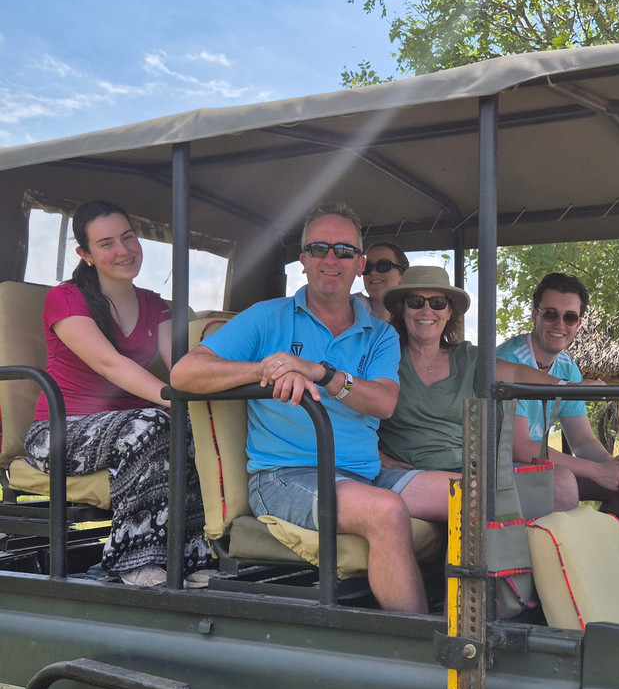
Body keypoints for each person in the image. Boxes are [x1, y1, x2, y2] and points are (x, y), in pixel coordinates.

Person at [170, 204, 436, 614]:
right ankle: (421, 655)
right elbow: (185, 374)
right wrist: (264, 368)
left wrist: (321, 373)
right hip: (283, 476)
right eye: (319, 248)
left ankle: (490, 622)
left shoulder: (379, 333)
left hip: (364, 473)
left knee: (474, 493)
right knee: (386, 511)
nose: (332, 260)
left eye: (345, 251)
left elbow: (383, 402)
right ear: (303, 259)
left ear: (360, 264)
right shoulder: (266, 318)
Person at [23, 200, 217, 588]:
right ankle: (133, 560)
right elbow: (109, 364)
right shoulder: (65, 298)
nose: (124, 251)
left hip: (138, 425)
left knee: (188, 426)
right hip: (59, 430)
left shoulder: (154, 305)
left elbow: (180, 366)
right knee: (155, 422)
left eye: (128, 238)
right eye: (107, 243)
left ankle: (191, 556)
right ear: (86, 254)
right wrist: (174, 399)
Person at [378, 266, 582, 510]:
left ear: (449, 310)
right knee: (473, 493)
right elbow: (352, 412)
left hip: (468, 471)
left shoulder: (467, 357)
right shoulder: (383, 358)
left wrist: (568, 386)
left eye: (438, 303)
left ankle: (547, 548)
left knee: (562, 483)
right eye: (415, 302)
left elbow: (516, 372)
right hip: (414, 474)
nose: (427, 310)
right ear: (402, 309)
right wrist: (377, 457)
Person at [497, 273, 619, 524]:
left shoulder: (566, 366)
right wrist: (596, 471)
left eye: (569, 317)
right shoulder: (510, 359)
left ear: (578, 323)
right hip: (498, 471)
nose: (560, 324)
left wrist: (610, 465)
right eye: (550, 314)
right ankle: (560, 561)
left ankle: (615, 555)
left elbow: (582, 440)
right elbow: (520, 447)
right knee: (562, 482)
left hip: (533, 469)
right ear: (534, 315)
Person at [357, 242, 409, 322]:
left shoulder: (415, 315)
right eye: (367, 267)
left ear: (404, 275)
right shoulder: (353, 307)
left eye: (383, 266)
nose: (373, 272)